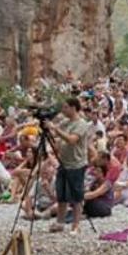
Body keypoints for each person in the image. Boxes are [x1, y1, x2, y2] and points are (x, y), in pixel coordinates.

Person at [47, 98, 92, 234]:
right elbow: (56, 134)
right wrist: (48, 128)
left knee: (76, 196)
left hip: (76, 163)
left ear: (74, 108)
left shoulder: (82, 124)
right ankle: (60, 223)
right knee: (61, 194)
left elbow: (72, 140)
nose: (63, 110)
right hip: (63, 162)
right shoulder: (65, 122)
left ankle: (76, 225)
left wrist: (54, 128)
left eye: (66, 107)